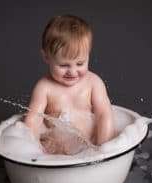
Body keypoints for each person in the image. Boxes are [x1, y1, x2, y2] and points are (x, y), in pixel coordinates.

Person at [24, 14, 115, 155]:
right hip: (53, 153)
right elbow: (33, 120)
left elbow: (104, 115)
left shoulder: (93, 83)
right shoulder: (44, 87)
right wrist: (34, 150)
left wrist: (103, 148)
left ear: (88, 55)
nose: (72, 71)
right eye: (64, 65)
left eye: (80, 63)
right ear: (46, 57)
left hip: (88, 149)